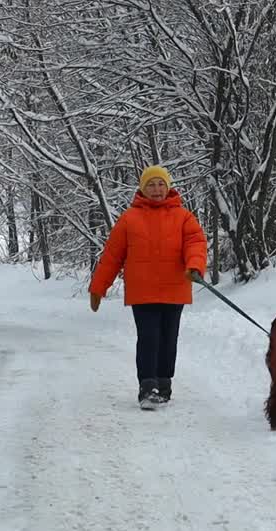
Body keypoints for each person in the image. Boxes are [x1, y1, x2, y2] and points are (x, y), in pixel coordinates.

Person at [89, 165, 208, 410]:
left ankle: (164, 384)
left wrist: (195, 266)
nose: (156, 189)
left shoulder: (184, 217)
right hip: (143, 292)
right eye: (151, 185)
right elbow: (112, 256)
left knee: (168, 339)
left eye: (161, 184)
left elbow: (196, 243)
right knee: (148, 338)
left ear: (168, 187)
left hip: (175, 288)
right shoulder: (129, 219)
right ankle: (147, 387)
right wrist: (98, 287)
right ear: (143, 189)